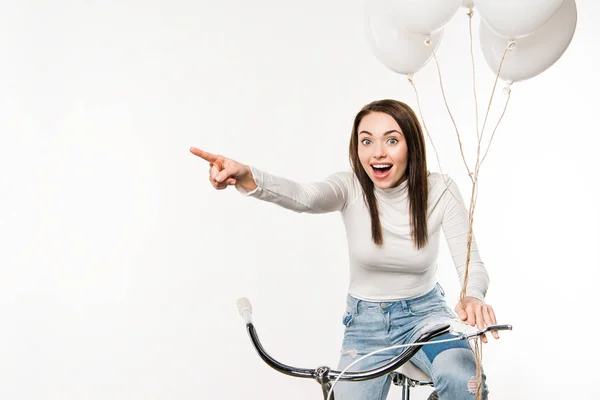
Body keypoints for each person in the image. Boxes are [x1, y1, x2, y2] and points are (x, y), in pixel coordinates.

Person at [190, 99, 499, 400]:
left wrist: (473, 296)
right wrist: (247, 176)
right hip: (366, 326)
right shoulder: (349, 186)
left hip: (426, 317)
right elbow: (303, 196)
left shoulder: (440, 189)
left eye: (391, 140)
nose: (377, 153)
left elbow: (472, 262)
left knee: (463, 379)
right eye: (366, 141)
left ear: (411, 146)